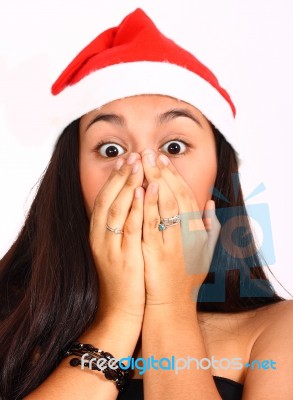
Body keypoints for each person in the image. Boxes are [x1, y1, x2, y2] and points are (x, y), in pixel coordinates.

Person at [0, 8, 292, 400]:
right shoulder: (10, 322)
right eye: (110, 148)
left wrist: (170, 305)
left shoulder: (278, 331)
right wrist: (116, 318)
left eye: (174, 146)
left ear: (219, 174)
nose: (142, 172)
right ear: (72, 179)